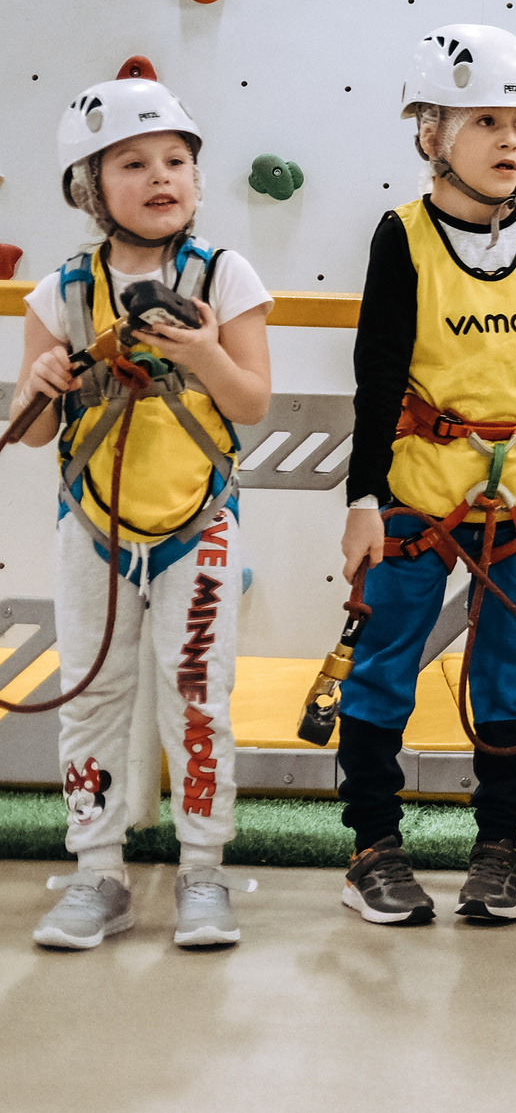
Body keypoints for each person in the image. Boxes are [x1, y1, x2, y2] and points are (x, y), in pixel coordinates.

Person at [335, 25, 516, 928]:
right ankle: (372, 848)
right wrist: (360, 501)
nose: (511, 141)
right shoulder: (404, 239)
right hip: (418, 499)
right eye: (486, 122)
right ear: (431, 133)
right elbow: (377, 378)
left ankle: (498, 846)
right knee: (383, 669)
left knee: (510, 676)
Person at [19, 78, 271, 951]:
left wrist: (202, 350)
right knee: (93, 698)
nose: (161, 176)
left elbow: (251, 402)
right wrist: (40, 382)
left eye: (176, 160)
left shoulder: (222, 276)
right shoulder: (60, 293)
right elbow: (36, 427)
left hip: (195, 524)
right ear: (90, 187)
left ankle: (203, 870)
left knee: (197, 696)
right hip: (92, 525)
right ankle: (99, 872)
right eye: (133, 162)